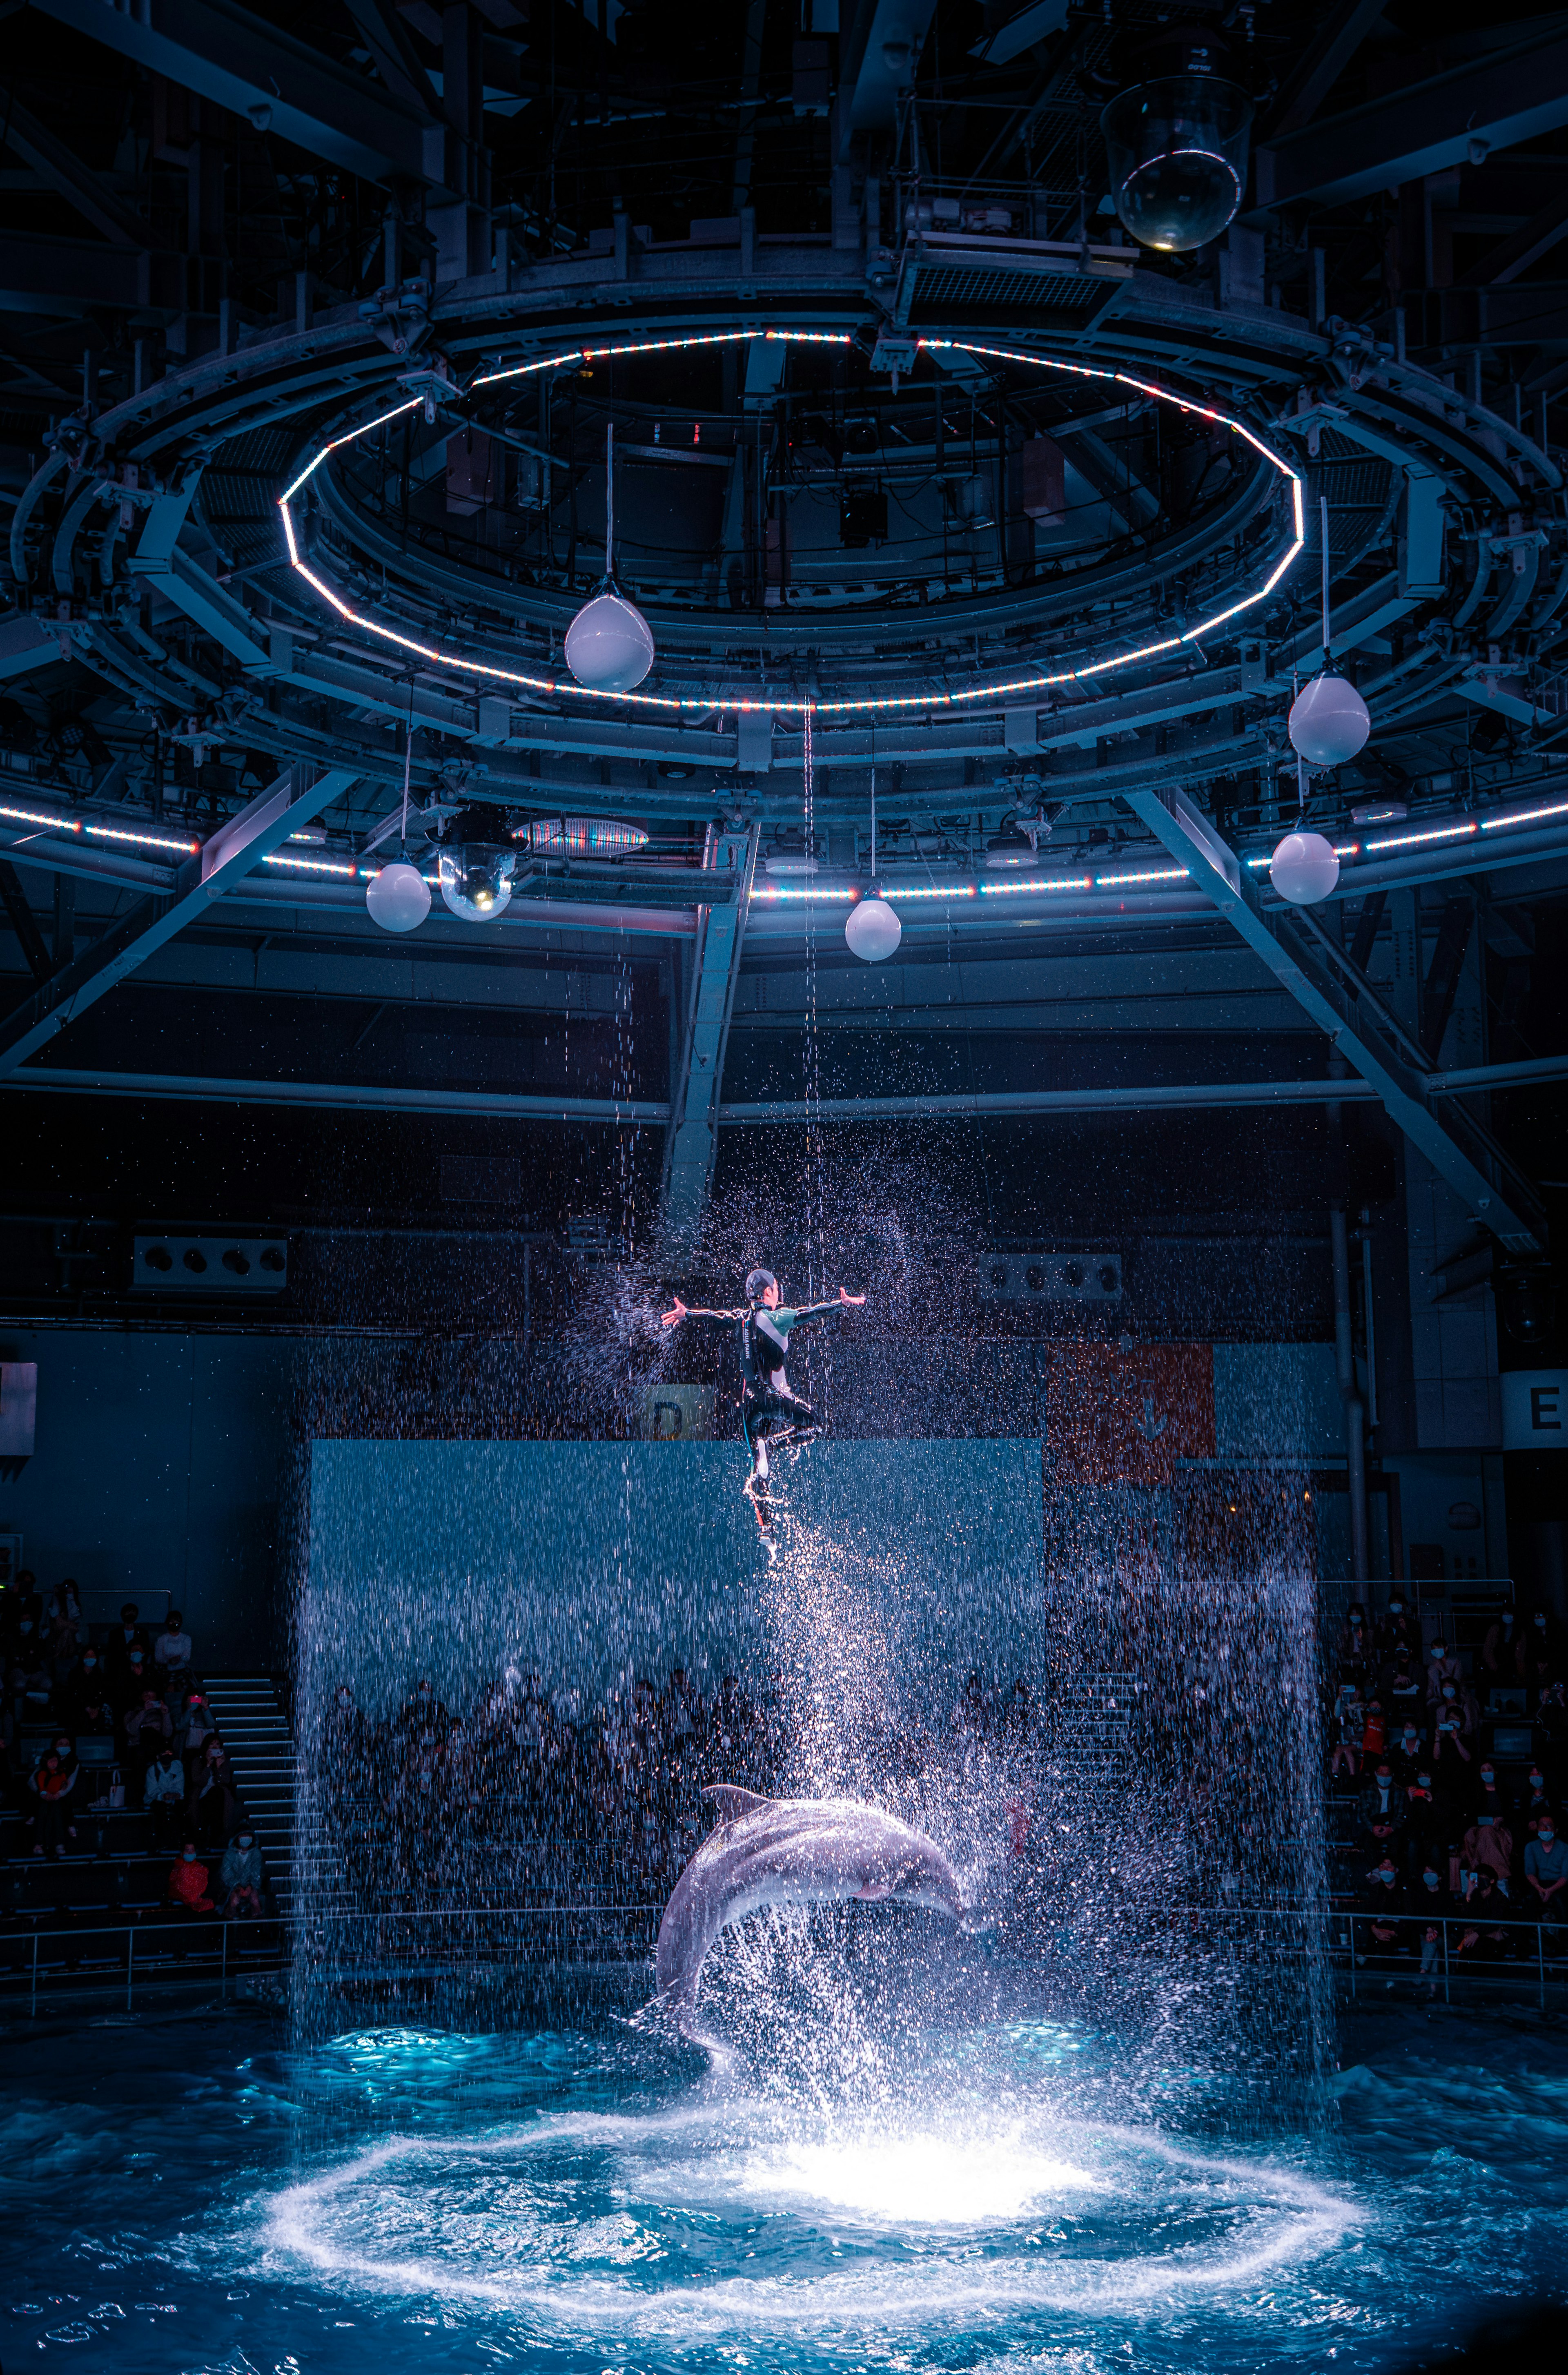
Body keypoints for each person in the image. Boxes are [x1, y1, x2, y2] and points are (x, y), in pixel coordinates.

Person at [661, 1271, 866, 1539]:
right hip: (771, 1397)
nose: (779, 1293)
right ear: (767, 1292)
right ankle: (773, 1444)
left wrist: (687, 1314)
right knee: (813, 1424)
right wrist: (841, 1304)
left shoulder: (740, 1318)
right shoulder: (777, 1317)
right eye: (776, 1289)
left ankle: (766, 1528)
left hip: (749, 1405)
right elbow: (809, 1313)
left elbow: (714, 1317)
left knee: (759, 1468)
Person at [25, 1744, 80, 1858]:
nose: (53, 1764)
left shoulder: (61, 1772)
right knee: (41, 1817)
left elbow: (65, 1782)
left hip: (57, 1798)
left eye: (55, 1761)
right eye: (51, 1762)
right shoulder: (42, 1773)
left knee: (58, 1818)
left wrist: (59, 1793)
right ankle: (39, 1843)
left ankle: (59, 1844)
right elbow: (41, 1787)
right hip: (44, 1799)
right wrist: (45, 1795)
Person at [1523, 1817, 1567, 1944]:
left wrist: (1550, 1891)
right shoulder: (1531, 1847)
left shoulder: (1565, 1848)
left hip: (1559, 1884)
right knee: (1530, 1899)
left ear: (1556, 1830)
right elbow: (1530, 1872)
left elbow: (1565, 1876)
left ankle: (1564, 1940)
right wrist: (1539, 1888)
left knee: (1561, 1901)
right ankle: (1526, 1940)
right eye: (1542, 1826)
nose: (1545, 1829)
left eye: (1549, 1826)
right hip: (1539, 1883)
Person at [144, 1744, 187, 1849]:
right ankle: (160, 1842)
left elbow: (179, 1785)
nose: (168, 1755)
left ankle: (182, 1840)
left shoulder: (178, 1766)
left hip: (174, 1797)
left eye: (170, 1753)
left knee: (182, 1810)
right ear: (159, 1756)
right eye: (165, 1753)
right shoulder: (152, 1770)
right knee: (160, 1811)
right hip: (155, 1798)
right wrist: (163, 1796)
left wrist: (175, 1795)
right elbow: (152, 1791)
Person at [1357, 1760, 1405, 1853]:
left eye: (1388, 1774)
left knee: (1397, 1843)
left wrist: (1391, 1828)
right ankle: (1377, 1867)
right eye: (1381, 1774)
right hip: (1374, 1824)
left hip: (1391, 1825)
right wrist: (1372, 1828)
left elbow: (1401, 1815)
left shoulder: (1399, 1792)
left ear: (1392, 1775)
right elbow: (1363, 1814)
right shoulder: (1366, 1791)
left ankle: (1391, 1866)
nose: (1384, 1777)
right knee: (1368, 1843)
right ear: (1376, 1774)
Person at [219, 1829, 265, 1919]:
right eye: (242, 1836)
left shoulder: (256, 1854)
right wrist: (237, 1886)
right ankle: (231, 1920)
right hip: (232, 1888)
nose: (245, 1839)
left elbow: (257, 1872)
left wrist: (251, 1887)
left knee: (255, 1900)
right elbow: (226, 1874)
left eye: (248, 1836)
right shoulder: (230, 1855)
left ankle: (258, 1922)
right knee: (234, 1901)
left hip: (252, 1887)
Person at [155, 1609, 194, 1702]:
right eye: (172, 1621)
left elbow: (187, 1657)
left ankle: (183, 1707)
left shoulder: (186, 1638)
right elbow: (158, 1658)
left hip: (182, 1670)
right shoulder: (162, 1639)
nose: (175, 1623)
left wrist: (179, 1659)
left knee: (183, 1686)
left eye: (177, 1621)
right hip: (166, 1670)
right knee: (169, 1687)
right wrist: (169, 1661)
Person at [168, 1841, 214, 1914]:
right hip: (180, 1894)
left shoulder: (201, 1868)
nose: (190, 1853)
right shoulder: (179, 1867)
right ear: (182, 1854)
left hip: (197, 1894)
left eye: (192, 1850)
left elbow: (203, 1882)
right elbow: (176, 1884)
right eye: (187, 1850)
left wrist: (198, 1893)